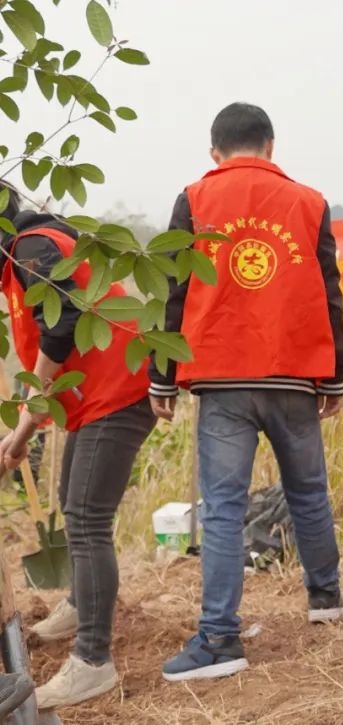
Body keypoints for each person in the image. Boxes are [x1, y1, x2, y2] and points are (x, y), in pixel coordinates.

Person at [152, 102, 343, 681]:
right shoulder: (310, 202)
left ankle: (218, 638)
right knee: (309, 491)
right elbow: (329, 291)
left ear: (215, 153)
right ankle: (327, 601)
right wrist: (334, 375)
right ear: (270, 145)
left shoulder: (194, 198)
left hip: (221, 376)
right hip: (292, 374)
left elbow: (176, 286)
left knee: (223, 509)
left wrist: (162, 375)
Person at [0, 183, 156, 709]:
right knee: (75, 500)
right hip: (103, 390)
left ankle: (92, 662)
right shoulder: (42, 242)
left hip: (119, 387)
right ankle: (79, 604)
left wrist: (21, 431)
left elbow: (61, 325)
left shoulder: (30, 248)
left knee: (86, 517)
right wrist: (23, 428)